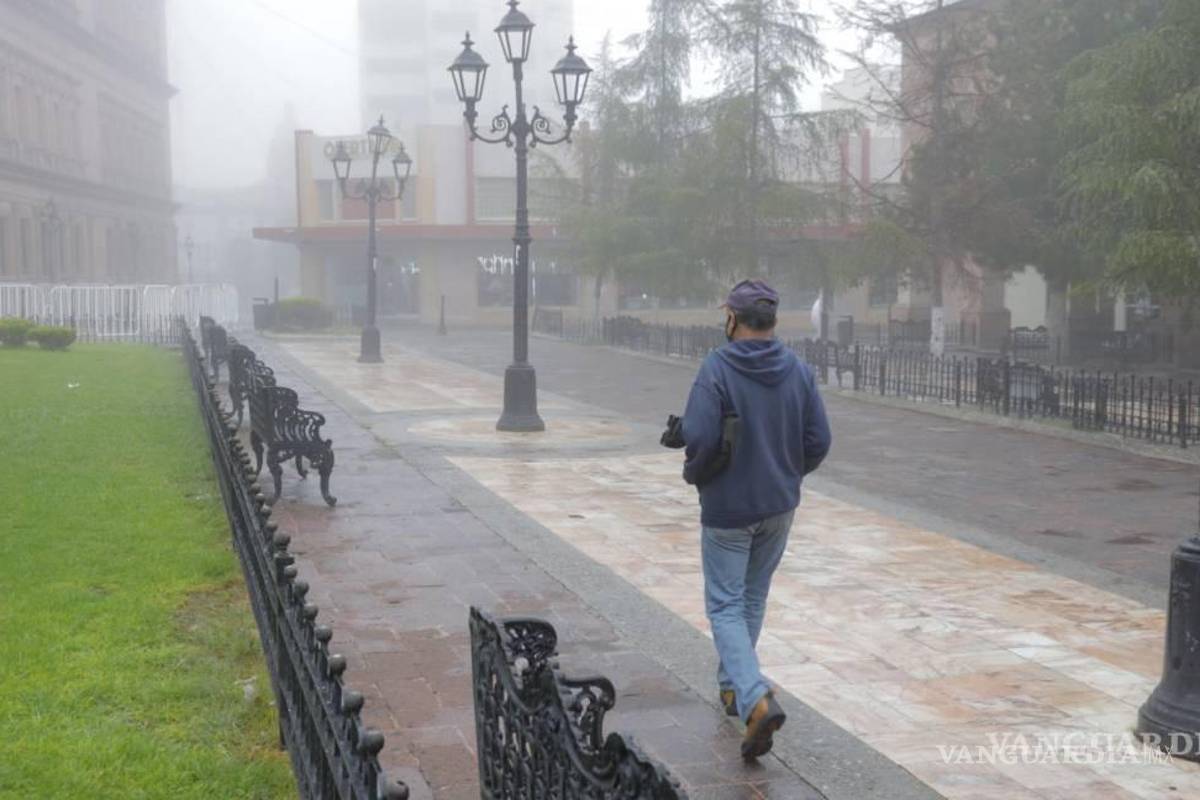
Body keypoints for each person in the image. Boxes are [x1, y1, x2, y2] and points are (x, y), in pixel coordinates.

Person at [680, 278, 832, 760]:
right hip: (778, 506)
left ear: (733, 319)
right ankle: (732, 688)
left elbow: (702, 438)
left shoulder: (717, 368)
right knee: (751, 597)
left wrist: (696, 472)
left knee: (725, 604)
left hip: (729, 507)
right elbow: (818, 441)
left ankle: (753, 696)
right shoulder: (798, 370)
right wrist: (785, 474)